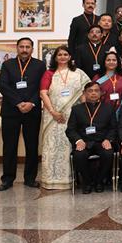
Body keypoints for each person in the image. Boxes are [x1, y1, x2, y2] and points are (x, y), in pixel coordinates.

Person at [0, 37, 47, 191]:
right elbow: (3, 86)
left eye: (27, 47)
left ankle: (30, 179)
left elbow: (42, 86)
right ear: (17, 48)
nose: (24, 49)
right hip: (11, 110)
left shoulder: (40, 65)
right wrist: (19, 103)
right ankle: (7, 179)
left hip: (32, 110)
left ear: (32, 49)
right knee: (9, 146)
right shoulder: (7, 65)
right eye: (21, 47)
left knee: (32, 145)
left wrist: (31, 103)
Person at [39, 45, 91, 189]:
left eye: (65, 54)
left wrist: (85, 112)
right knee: (52, 147)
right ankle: (49, 180)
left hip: (73, 117)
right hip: (52, 117)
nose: (62, 57)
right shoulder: (49, 73)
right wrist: (53, 112)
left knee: (69, 146)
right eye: (59, 54)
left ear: (70, 57)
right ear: (55, 58)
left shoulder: (79, 73)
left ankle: (69, 180)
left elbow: (85, 93)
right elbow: (43, 93)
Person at [65, 82, 116, 194]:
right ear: (84, 93)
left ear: (101, 93)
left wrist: (108, 139)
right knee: (79, 155)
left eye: (96, 91)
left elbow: (113, 128)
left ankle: (99, 181)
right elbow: (70, 130)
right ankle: (87, 182)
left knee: (108, 154)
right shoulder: (76, 109)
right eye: (90, 91)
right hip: (84, 142)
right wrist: (78, 140)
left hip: (101, 142)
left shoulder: (109, 108)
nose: (93, 93)